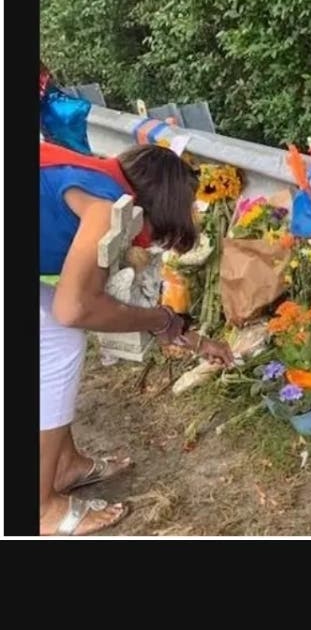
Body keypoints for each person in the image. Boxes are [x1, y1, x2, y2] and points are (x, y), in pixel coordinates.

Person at [40, 140, 234, 536]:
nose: (147, 243)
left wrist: (187, 336)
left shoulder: (98, 180)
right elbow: (75, 307)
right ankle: (39, 508)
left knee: (57, 333)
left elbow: (113, 304)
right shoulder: (104, 208)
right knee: (60, 340)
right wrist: (162, 320)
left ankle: (64, 465)